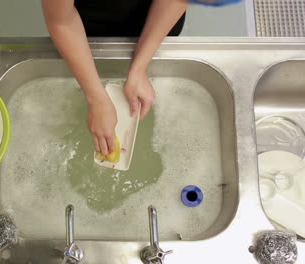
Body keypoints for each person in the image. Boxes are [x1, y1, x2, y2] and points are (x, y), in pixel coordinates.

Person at [41, 0, 241, 156]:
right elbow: (62, 21)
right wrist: (96, 97)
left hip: (156, 18)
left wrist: (139, 67)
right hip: (87, 26)